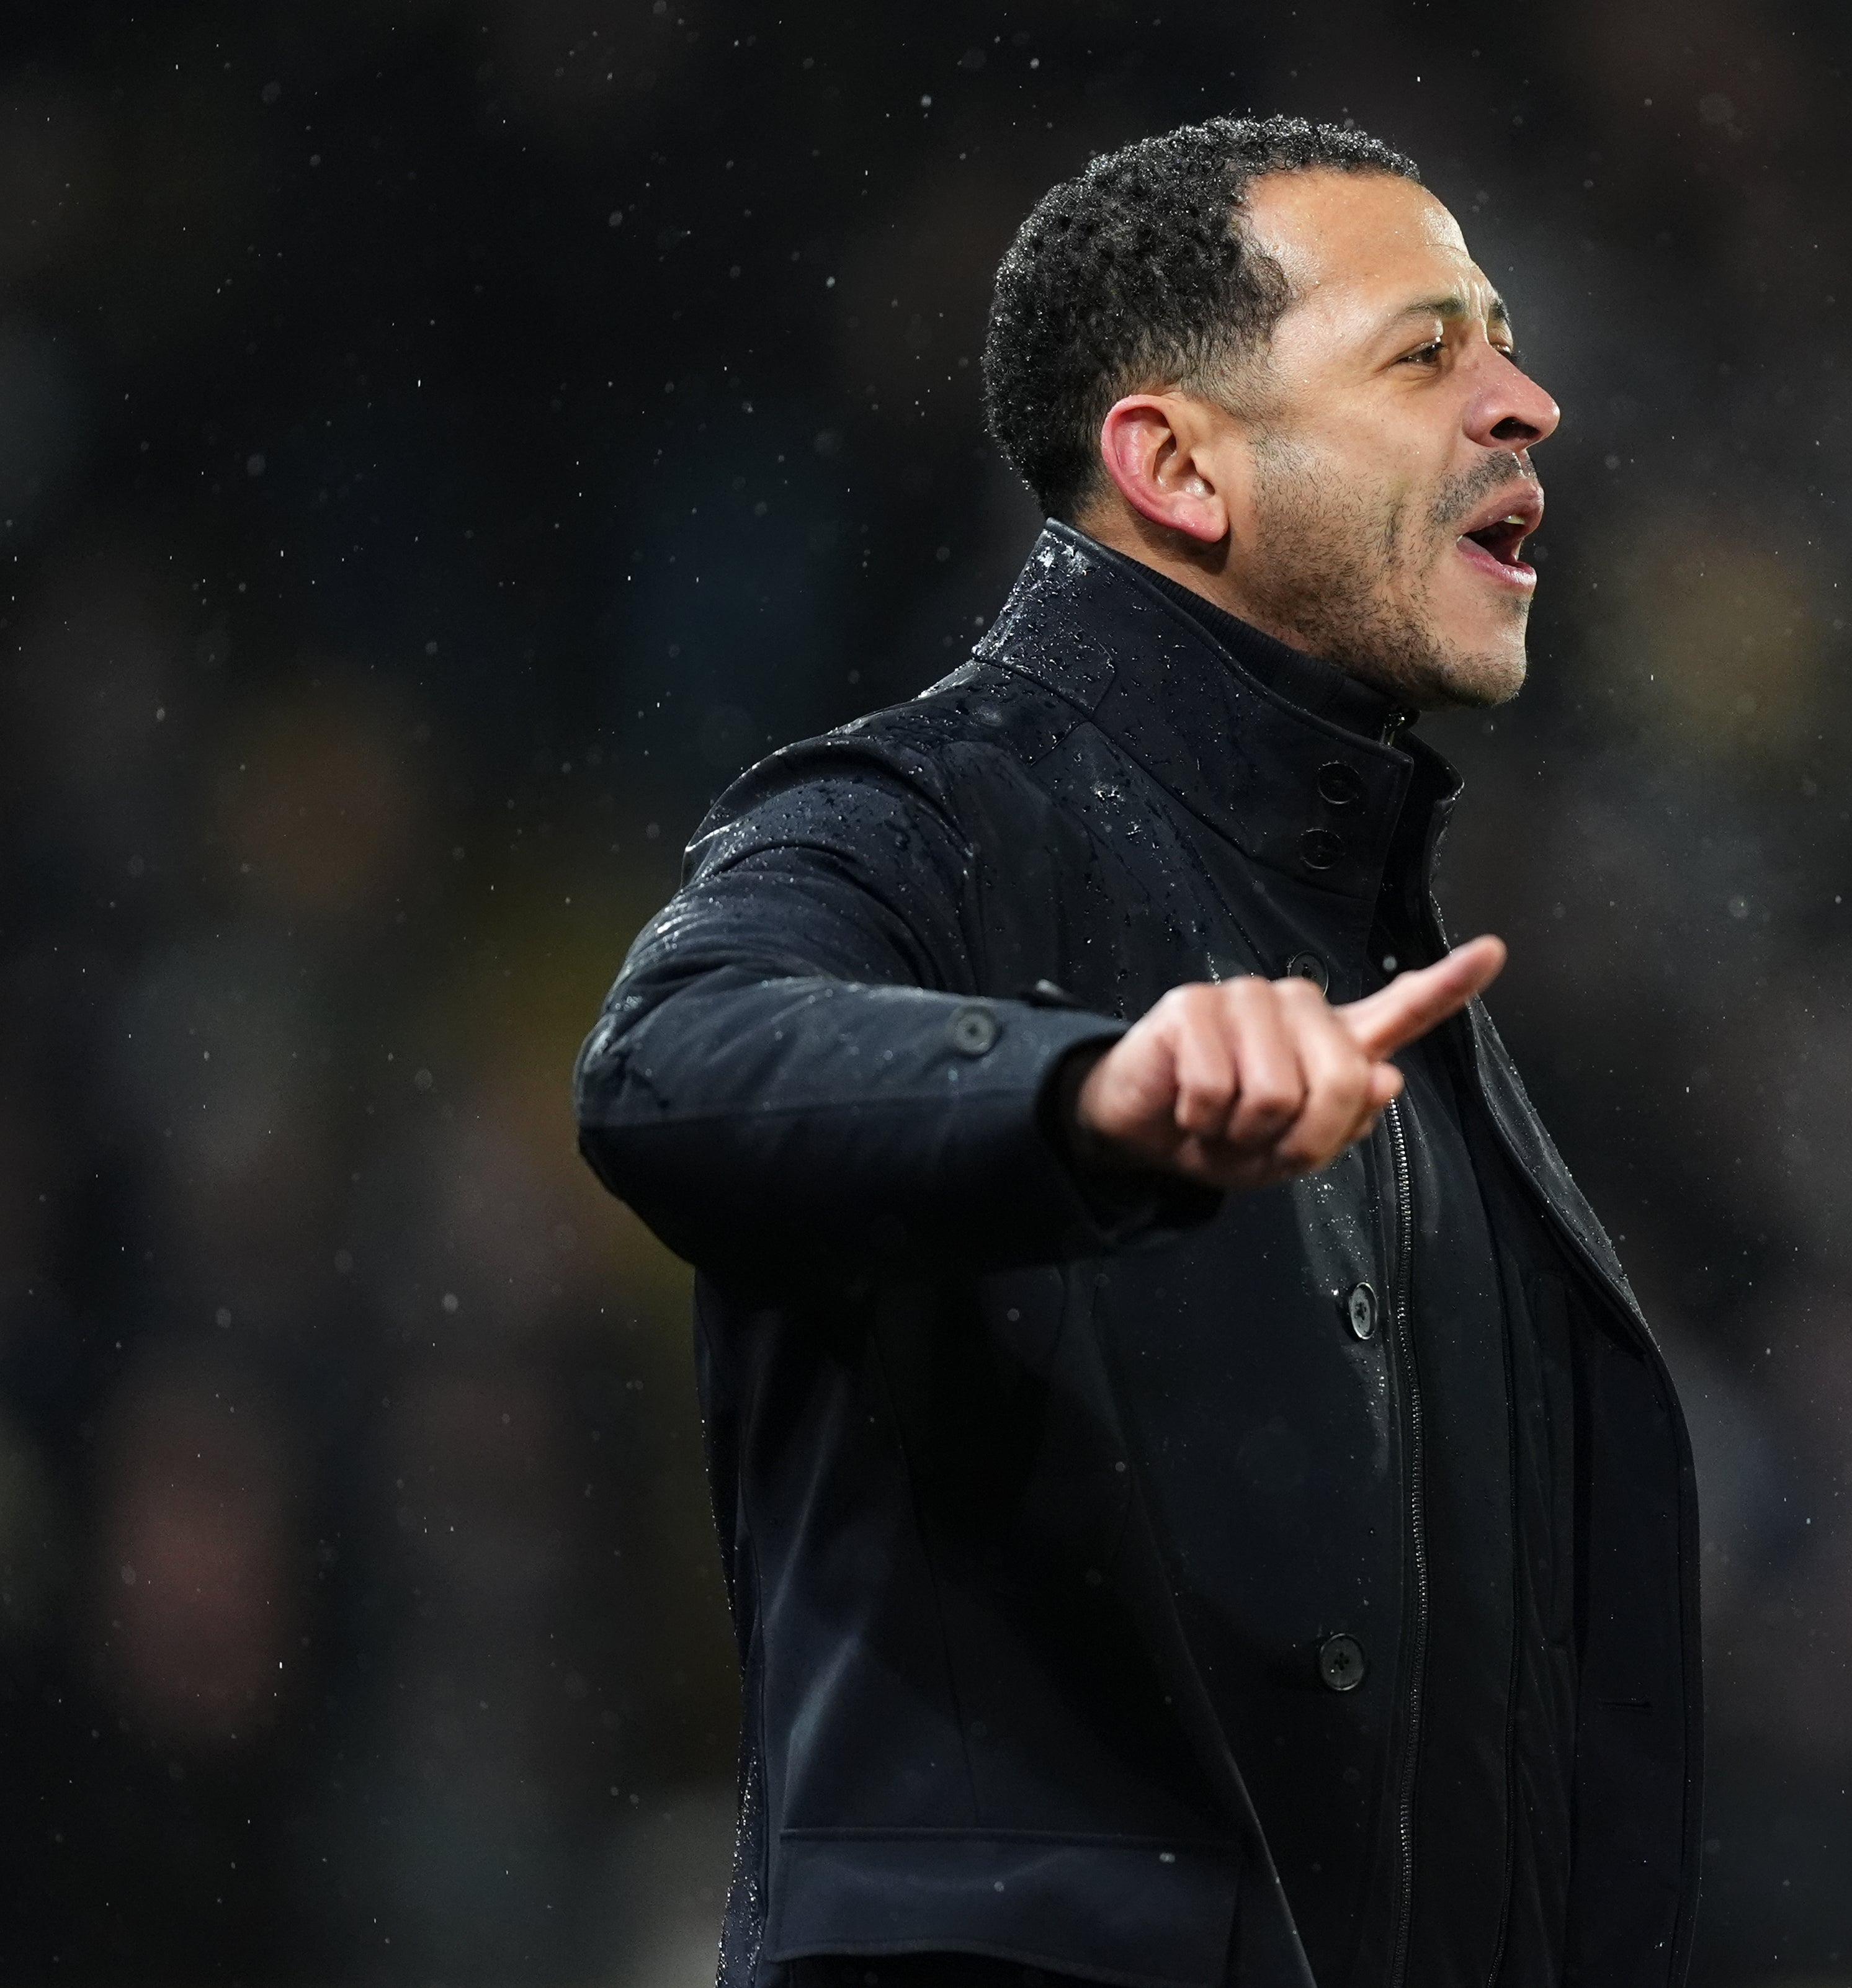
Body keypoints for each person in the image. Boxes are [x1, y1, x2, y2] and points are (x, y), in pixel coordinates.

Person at [574, 117, 1701, 1988]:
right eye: (1425, 352)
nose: (1527, 404)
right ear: (1176, 467)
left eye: (1502, 343)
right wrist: (1086, 1099)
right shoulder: (921, 818)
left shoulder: (1385, 954)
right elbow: (667, 1062)